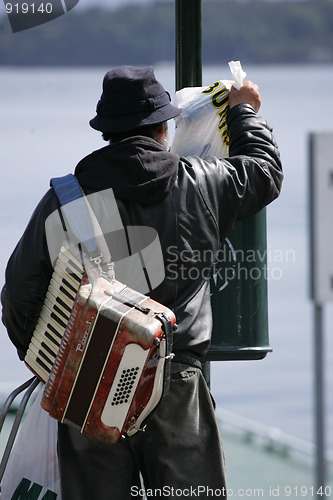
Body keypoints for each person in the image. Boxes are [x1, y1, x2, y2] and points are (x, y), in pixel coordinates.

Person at [1, 66, 283, 499]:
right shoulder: (203, 183)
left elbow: (19, 294)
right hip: (177, 386)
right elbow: (264, 171)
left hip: (90, 384)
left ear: (106, 132)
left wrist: (46, 360)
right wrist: (244, 110)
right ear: (164, 127)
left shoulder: (63, 199)